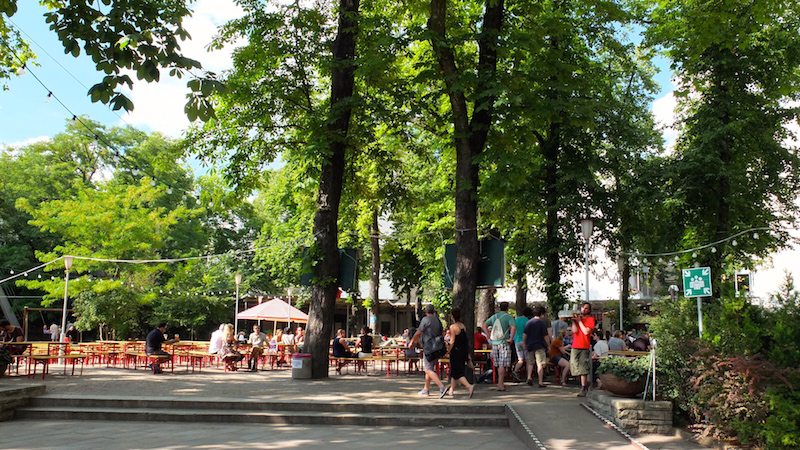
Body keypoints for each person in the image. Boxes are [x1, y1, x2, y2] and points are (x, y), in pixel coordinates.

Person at [409, 304, 447, 397]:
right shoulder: (438, 320)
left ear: (426, 312)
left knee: (428, 369)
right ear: (433, 311)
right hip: (438, 347)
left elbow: (419, 332)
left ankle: (442, 387)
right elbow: (442, 333)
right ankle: (426, 389)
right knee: (430, 368)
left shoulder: (425, 320)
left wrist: (412, 342)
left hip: (429, 347)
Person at [482, 302, 516, 391]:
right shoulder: (508, 317)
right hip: (504, 342)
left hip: (494, 343)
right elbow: (513, 327)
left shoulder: (494, 317)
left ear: (499, 308)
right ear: (507, 308)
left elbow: (484, 325)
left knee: (497, 365)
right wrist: (511, 338)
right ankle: (501, 384)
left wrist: (488, 335)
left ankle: (499, 383)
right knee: (502, 364)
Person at [445, 308, 475, 398]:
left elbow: (452, 341)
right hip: (463, 351)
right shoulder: (462, 326)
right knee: (455, 372)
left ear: (452, 316)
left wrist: (448, 351)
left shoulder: (453, 327)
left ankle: (469, 386)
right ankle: (451, 390)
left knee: (458, 373)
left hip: (456, 352)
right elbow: (464, 340)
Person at [571, 302, 596, 397]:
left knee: (583, 368)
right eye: (582, 308)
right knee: (573, 365)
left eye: (586, 308)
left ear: (589, 310)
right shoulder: (578, 319)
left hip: (584, 346)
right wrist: (574, 321)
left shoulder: (590, 319)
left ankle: (584, 387)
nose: (584, 310)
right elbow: (574, 331)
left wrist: (580, 322)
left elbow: (586, 332)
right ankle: (585, 384)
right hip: (575, 345)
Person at [523, 306, 551, 388]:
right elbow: (546, 336)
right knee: (540, 364)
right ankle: (540, 381)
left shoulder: (529, 322)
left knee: (530, 363)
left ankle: (529, 377)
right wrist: (548, 345)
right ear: (542, 314)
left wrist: (525, 343)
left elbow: (525, 334)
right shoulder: (542, 323)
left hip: (530, 345)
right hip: (539, 345)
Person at [512, 307, 533, 382]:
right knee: (528, 360)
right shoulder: (528, 321)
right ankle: (529, 377)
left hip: (517, 341)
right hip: (525, 342)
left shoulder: (516, 320)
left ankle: (515, 371)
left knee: (520, 360)